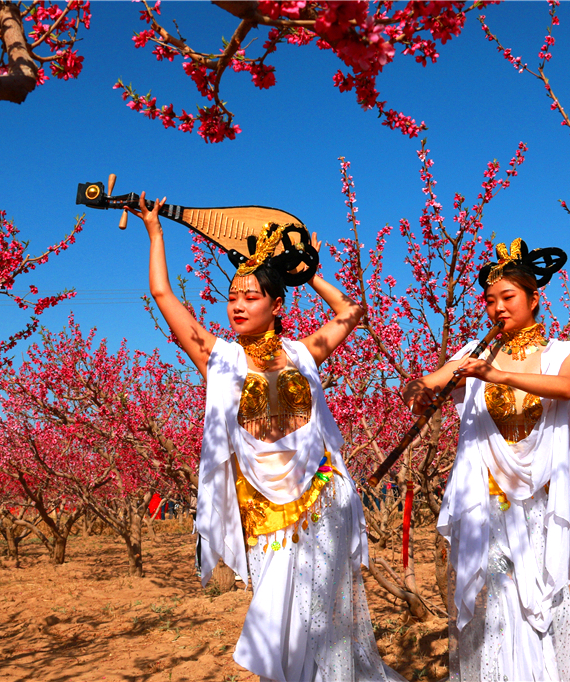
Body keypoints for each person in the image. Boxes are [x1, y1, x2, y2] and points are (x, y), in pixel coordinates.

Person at [132, 194, 405, 682]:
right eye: (233, 296)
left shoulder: (303, 353)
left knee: (323, 616)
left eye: (251, 296)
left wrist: (310, 271)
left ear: (277, 305)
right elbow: (164, 297)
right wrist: (156, 234)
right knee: (276, 621)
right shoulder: (221, 359)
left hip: (322, 498)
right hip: (265, 511)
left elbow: (351, 311)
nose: (237, 304)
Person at [403, 238, 570, 682]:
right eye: (490, 300)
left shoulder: (564, 351)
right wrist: (425, 390)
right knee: (498, 598)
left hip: (539, 504)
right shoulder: (474, 353)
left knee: (538, 601)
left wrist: (495, 374)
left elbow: (565, 388)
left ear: (534, 298)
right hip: (487, 503)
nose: (498, 308)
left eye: (508, 297)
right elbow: (424, 390)